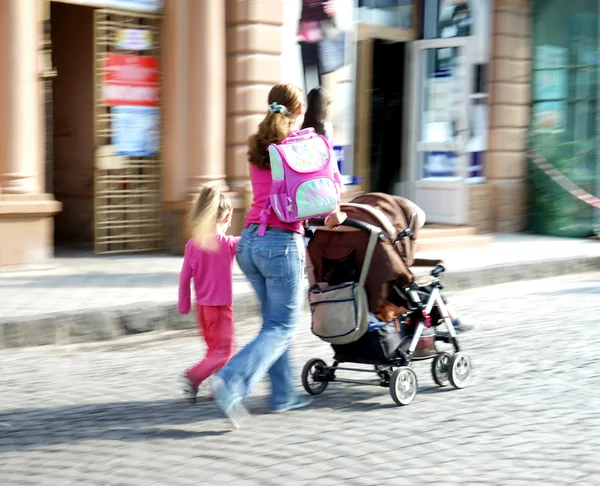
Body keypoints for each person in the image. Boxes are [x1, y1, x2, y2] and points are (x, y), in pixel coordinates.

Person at [210, 83, 346, 428]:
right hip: (280, 244)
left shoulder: (259, 144)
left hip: (250, 242)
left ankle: (284, 395)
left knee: (273, 323)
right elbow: (328, 212)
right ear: (299, 111)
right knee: (282, 326)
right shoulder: (305, 148)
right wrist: (337, 214)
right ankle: (231, 380)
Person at [178, 185, 240, 403]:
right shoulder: (229, 244)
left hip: (202, 309)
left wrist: (183, 304)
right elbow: (252, 243)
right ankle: (194, 375)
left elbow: (185, 277)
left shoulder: (192, 245)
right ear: (228, 216)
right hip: (221, 307)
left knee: (214, 349)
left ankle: (218, 389)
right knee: (224, 350)